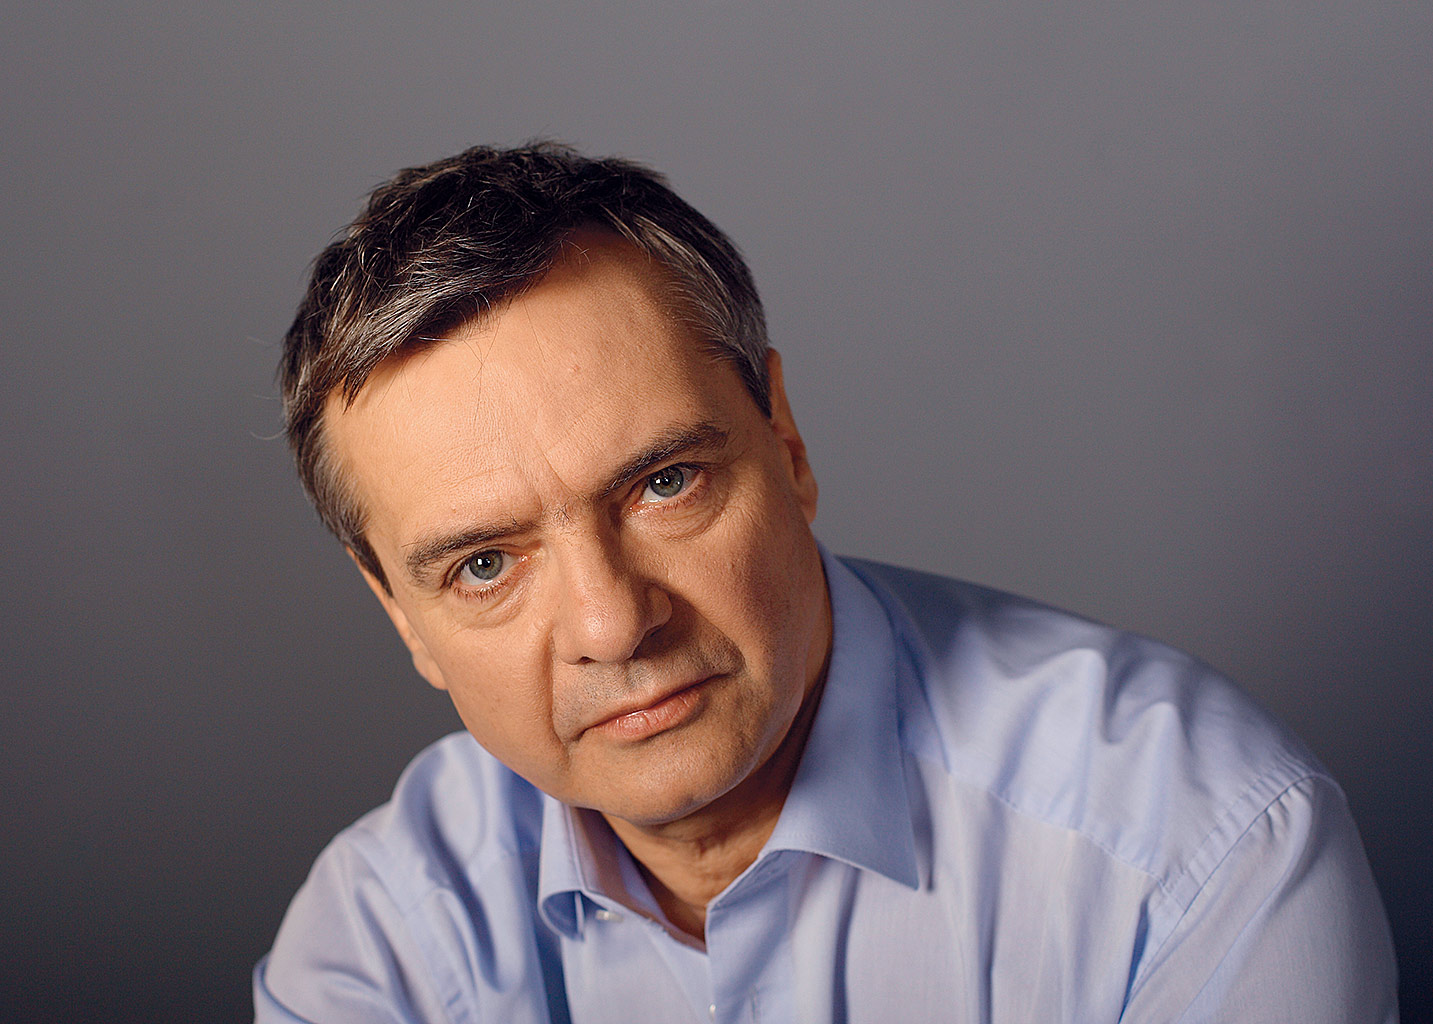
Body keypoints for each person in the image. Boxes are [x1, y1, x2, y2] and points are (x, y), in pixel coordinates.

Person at [255, 143, 1398, 1023]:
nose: (612, 623)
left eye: (663, 483)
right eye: (485, 564)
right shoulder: (383, 943)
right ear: (399, 614)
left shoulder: (1194, 847)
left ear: (786, 442)